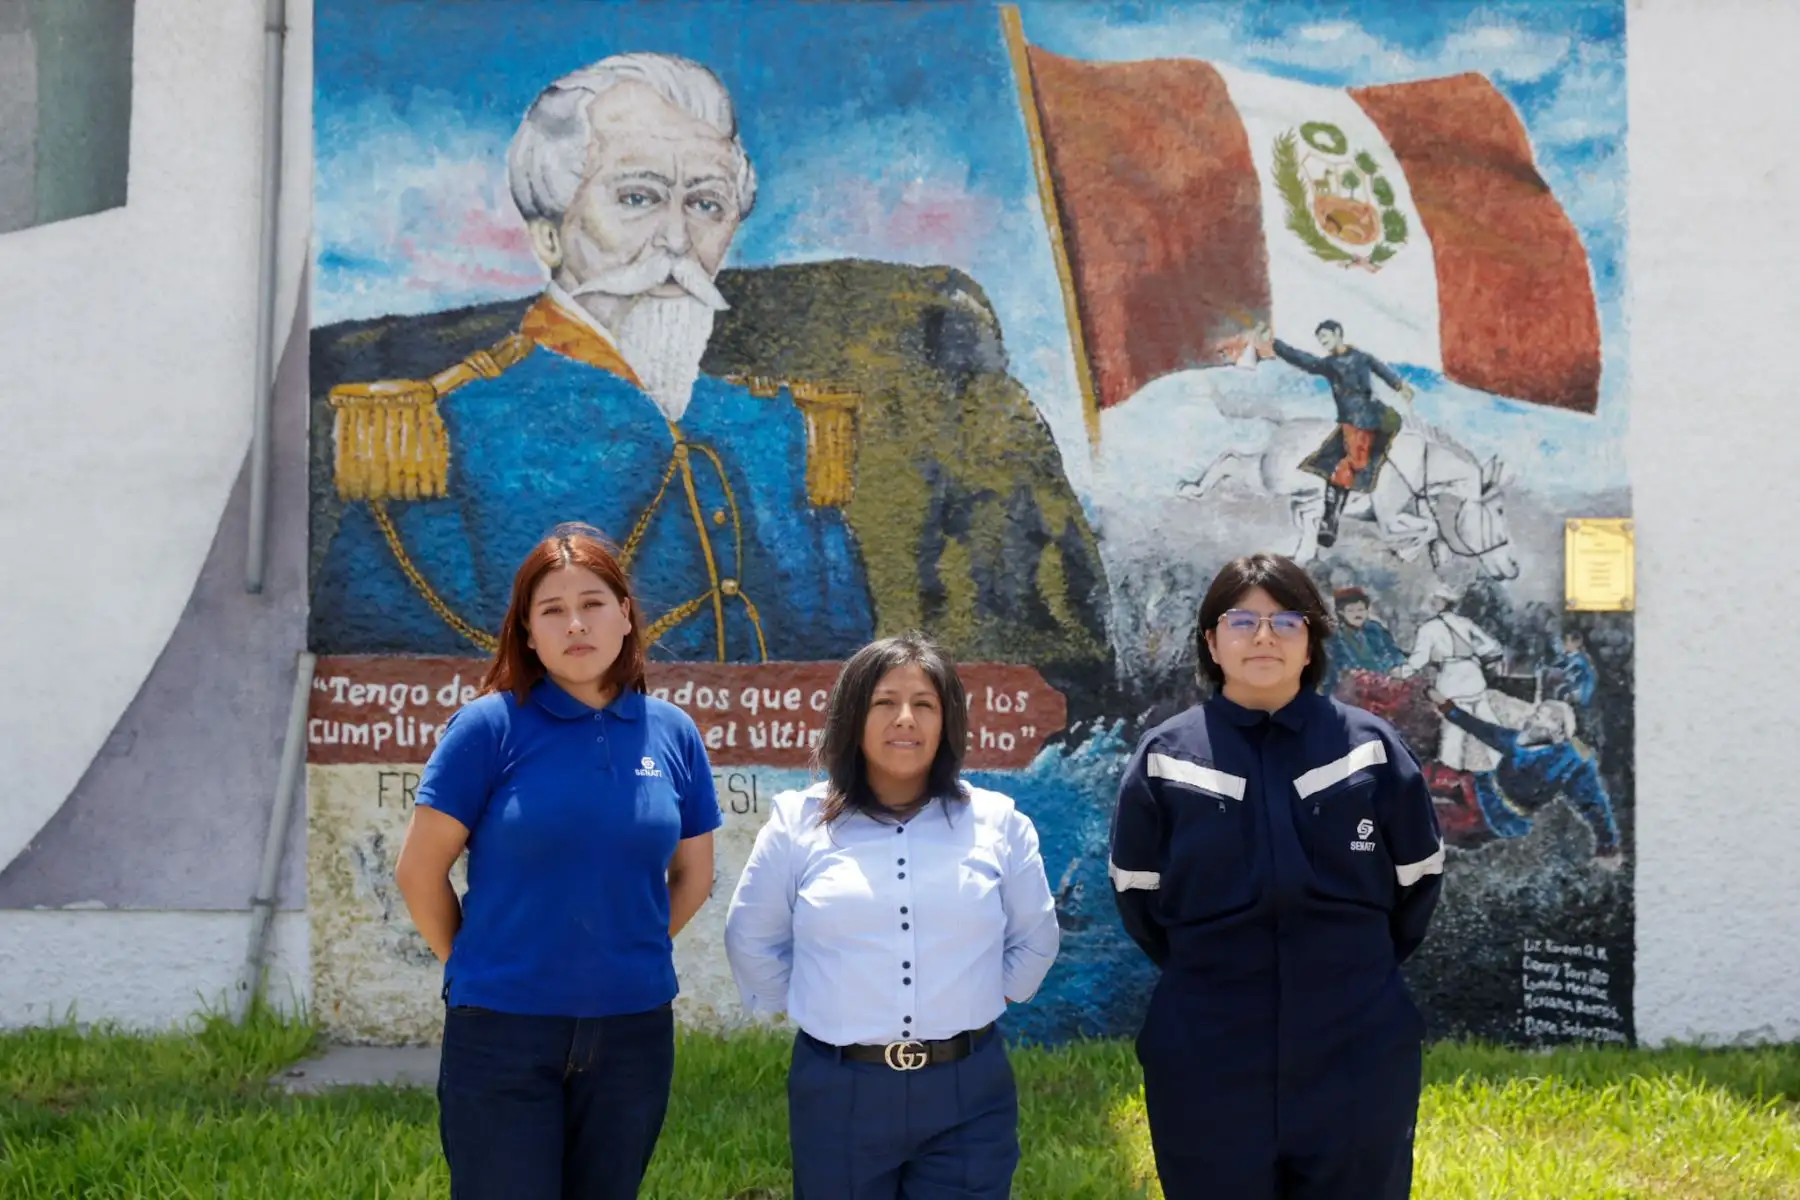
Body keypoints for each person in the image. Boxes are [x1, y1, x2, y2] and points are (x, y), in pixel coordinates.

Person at [309, 51, 1109, 682]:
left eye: (705, 204)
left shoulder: (778, 434)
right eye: (637, 198)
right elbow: (389, 692)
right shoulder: (443, 434)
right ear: (549, 233)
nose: (675, 240)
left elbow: (832, 673)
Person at [394, 524, 722, 1199]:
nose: (576, 624)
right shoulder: (487, 728)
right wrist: (478, 965)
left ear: (625, 615)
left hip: (633, 1032)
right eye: (552, 610)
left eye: (593, 603)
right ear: (528, 632)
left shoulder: (673, 733)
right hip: (502, 1033)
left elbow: (695, 874)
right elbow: (419, 872)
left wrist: (627, 948)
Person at [1109, 552, 1443, 1199]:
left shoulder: (1370, 749)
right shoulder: (1166, 758)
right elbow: (1137, 893)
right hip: (1208, 1049)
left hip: (1356, 1045)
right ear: (1212, 642)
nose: (1264, 637)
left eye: (1286, 621)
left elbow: (1418, 880)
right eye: (1242, 621)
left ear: (1311, 640)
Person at [724, 632, 1060, 1198]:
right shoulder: (797, 824)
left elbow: (1035, 941)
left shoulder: (999, 823)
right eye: (884, 702)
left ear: (947, 722)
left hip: (968, 1091)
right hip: (839, 1091)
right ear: (852, 716)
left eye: (924, 704)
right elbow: (751, 940)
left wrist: (973, 998)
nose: (905, 718)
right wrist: (826, 1006)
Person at [1254, 318, 1415, 547]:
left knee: (1351, 464)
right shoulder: (1329, 364)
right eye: (1319, 339)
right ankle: (1330, 520)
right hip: (1350, 422)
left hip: (1369, 418)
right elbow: (1303, 360)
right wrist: (1274, 343)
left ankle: (1334, 519)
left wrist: (1400, 386)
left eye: (1325, 336)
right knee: (1337, 464)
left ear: (1338, 333)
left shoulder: (1361, 357)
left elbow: (1381, 370)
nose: (1322, 342)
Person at [1428, 690, 1621, 861]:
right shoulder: (1520, 739)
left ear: (1558, 729)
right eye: (1539, 712)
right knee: (1432, 775)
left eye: (1546, 716)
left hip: (1498, 815)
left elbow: (1593, 804)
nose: (1535, 716)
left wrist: (1608, 844)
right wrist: (1448, 708)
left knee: (1439, 825)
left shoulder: (1570, 763)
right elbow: (1483, 730)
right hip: (1480, 786)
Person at [1320, 586, 1405, 696]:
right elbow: (1337, 670)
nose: (1357, 614)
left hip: (1384, 684)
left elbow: (1394, 654)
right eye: (1351, 610)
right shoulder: (1335, 638)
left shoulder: (1376, 630)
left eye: (1360, 610)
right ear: (1341, 612)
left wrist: (1396, 674)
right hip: (1352, 691)